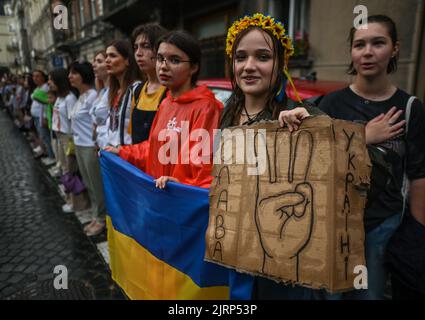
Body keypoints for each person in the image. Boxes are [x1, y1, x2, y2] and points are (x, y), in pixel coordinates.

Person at [279, 14, 425, 300]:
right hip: (333, 225)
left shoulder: (410, 108)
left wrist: (418, 234)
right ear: (352, 52)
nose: (368, 52)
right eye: (359, 45)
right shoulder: (332, 102)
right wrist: (362, 136)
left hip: (382, 227)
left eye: (378, 43)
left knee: (369, 295)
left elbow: (419, 176)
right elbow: (308, 158)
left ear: (395, 48)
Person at [221, 13, 336, 300]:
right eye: (240, 57)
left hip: (284, 259)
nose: (248, 66)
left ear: (280, 64)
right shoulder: (226, 112)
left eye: (262, 57)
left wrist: (313, 126)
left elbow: (338, 164)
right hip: (237, 249)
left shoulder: (301, 114)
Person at [105, 30, 223, 189]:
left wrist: (180, 185)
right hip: (160, 196)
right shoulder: (166, 103)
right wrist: (122, 152)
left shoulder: (207, 108)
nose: (163, 66)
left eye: (174, 60)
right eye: (160, 59)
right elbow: (154, 149)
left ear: (194, 67)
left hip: (181, 202)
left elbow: (205, 170)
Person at [68, 61, 107, 236]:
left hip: (89, 146)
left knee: (96, 185)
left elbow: (97, 121)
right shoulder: (80, 96)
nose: (70, 77)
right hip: (79, 145)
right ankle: (95, 215)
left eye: (74, 73)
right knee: (89, 185)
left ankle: (101, 219)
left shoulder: (92, 96)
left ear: (83, 76)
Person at [129, 23, 168, 144]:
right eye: (135, 47)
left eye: (145, 46)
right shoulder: (137, 90)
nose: (138, 53)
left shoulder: (171, 91)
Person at [105, 40, 143, 147]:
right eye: (106, 56)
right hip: (113, 152)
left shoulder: (137, 89)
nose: (107, 60)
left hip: (128, 153)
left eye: (112, 56)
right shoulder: (115, 91)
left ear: (127, 60)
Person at [90, 51, 110, 150]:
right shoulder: (101, 92)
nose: (94, 65)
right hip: (100, 145)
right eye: (94, 61)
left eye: (99, 61)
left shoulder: (115, 93)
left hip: (109, 147)